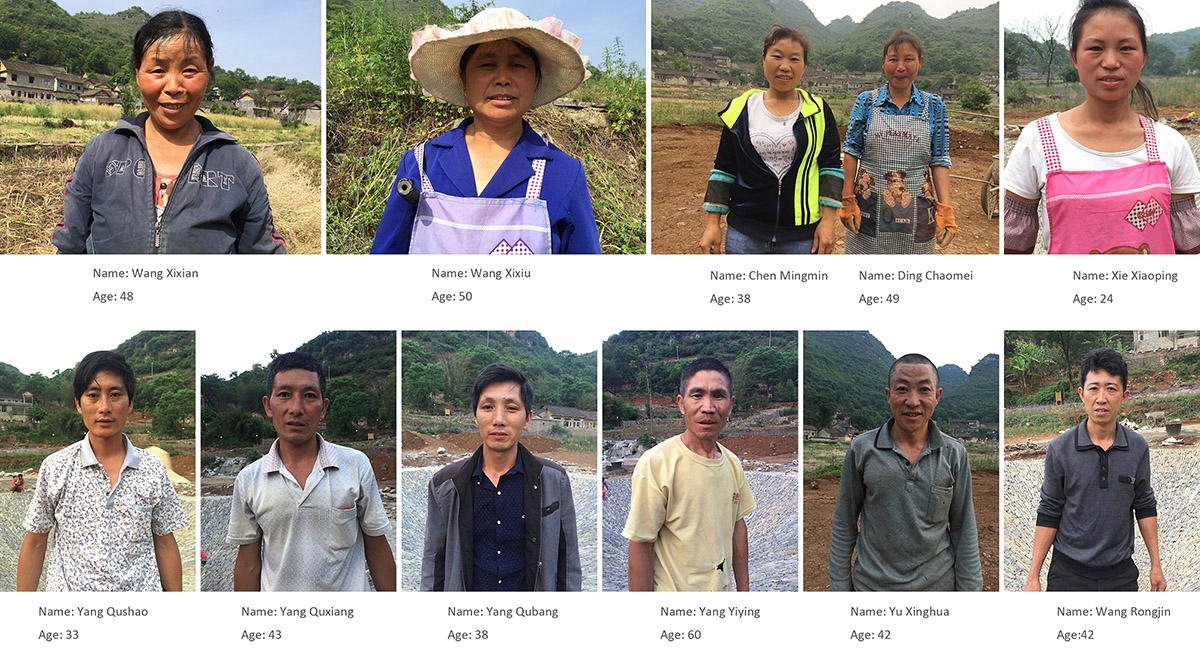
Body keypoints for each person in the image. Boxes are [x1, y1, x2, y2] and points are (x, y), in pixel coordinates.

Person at [52, 11, 285, 254]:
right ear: (137, 73)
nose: (173, 87)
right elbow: (70, 246)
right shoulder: (101, 152)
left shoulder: (239, 165)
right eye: (157, 70)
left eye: (190, 70)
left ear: (209, 70)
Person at [371, 7, 601, 254]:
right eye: (486, 65)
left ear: (535, 78)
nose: (503, 78)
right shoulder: (422, 164)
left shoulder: (564, 174)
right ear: (464, 78)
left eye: (518, 65)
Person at [1004, 0, 1200, 254]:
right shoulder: (1038, 139)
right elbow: (1014, 247)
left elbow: (1189, 247)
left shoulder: (1170, 143)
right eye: (1096, 48)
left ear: (1143, 57)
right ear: (1075, 57)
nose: (1110, 62)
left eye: (1126, 48)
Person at [17, 351, 187, 591]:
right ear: (78, 404)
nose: (104, 407)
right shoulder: (55, 468)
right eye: (93, 396)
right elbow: (35, 541)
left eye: (115, 395)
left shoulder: (153, 469)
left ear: (130, 403)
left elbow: (165, 542)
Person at [228, 352, 395, 591]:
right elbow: (248, 564)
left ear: (323, 408)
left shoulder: (356, 465)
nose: (296, 408)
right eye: (284, 395)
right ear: (268, 406)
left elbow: (377, 548)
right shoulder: (249, 480)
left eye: (309, 396)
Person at [828, 354, 981, 591]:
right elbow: (844, 523)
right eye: (902, 389)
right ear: (888, 395)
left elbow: (964, 528)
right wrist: (840, 587)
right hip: (872, 589)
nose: (913, 401)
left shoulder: (954, 454)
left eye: (924, 390)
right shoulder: (862, 449)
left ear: (937, 396)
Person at [422, 363, 580, 591]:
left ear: (528, 418)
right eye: (487, 407)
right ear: (476, 416)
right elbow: (434, 564)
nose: (499, 419)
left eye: (511, 408)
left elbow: (568, 562)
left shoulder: (555, 481)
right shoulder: (445, 485)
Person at [1025, 348, 1165, 591]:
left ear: (1124, 395)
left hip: (1120, 575)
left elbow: (1144, 504)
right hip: (1068, 574)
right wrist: (1033, 577)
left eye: (1111, 389)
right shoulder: (1060, 449)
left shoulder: (1137, 447)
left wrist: (1156, 565)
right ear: (1082, 394)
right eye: (1094, 388)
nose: (1101, 398)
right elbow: (1049, 510)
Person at [700, 25, 843, 254]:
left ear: (804, 65)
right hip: (745, 233)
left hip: (802, 236)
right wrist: (712, 224)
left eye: (794, 59)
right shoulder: (741, 109)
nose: (784, 66)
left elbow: (831, 167)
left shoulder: (818, 111)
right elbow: (724, 169)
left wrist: (828, 221)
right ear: (763, 59)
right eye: (777, 56)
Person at [623, 358, 756, 591]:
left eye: (718, 396)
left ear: (730, 405)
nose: (708, 407)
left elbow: (737, 527)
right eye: (697, 395)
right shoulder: (656, 463)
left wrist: (744, 591)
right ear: (681, 404)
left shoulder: (733, 464)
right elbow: (641, 544)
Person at [840, 30, 956, 254]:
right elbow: (851, 152)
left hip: (917, 213)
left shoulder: (934, 106)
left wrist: (945, 208)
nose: (900, 67)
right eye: (893, 59)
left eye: (908, 59)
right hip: (868, 211)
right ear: (883, 63)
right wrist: (847, 198)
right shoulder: (866, 102)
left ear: (920, 62)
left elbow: (939, 159)